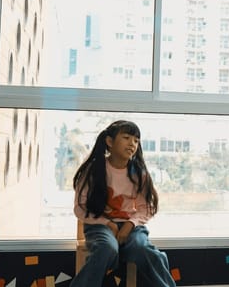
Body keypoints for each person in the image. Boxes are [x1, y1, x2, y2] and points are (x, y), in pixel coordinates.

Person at [71, 120, 176, 287]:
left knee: (142, 249)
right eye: (126, 137)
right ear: (110, 142)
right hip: (99, 225)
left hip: (131, 226)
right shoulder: (94, 169)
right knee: (107, 248)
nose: (132, 143)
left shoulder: (138, 173)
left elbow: (146, 208)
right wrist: (107, 223)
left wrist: (130, 224)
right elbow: (80, 207)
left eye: (136, 140)